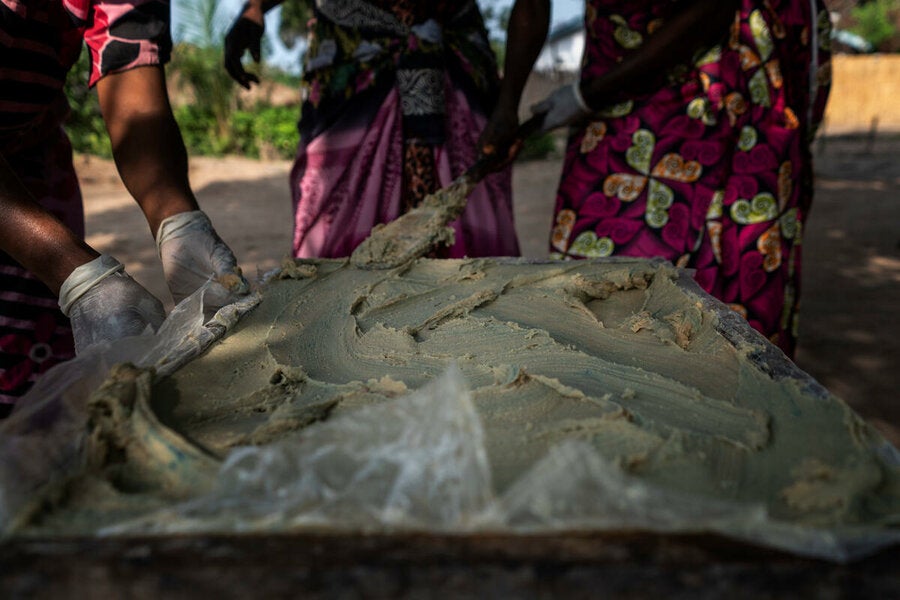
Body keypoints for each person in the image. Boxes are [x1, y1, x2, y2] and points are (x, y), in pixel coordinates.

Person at [483, 0, 832, 358]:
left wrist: (587, 96)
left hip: (715, 79)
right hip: (614, 83)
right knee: (591, 281)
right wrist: (507, 104)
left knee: (726, 295)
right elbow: (532, 7)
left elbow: (709, 11)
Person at [0, 0, 249, 416]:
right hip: (19, 215)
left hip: (32, 169)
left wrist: (180, 224)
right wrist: (78, 276)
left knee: (37, 390)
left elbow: (131, 86)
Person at [224, 0, 526, 259]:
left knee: (478, 260)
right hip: (350, 75)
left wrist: (509, 103)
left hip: (457, 73)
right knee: (327, 256)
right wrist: (256, 6)